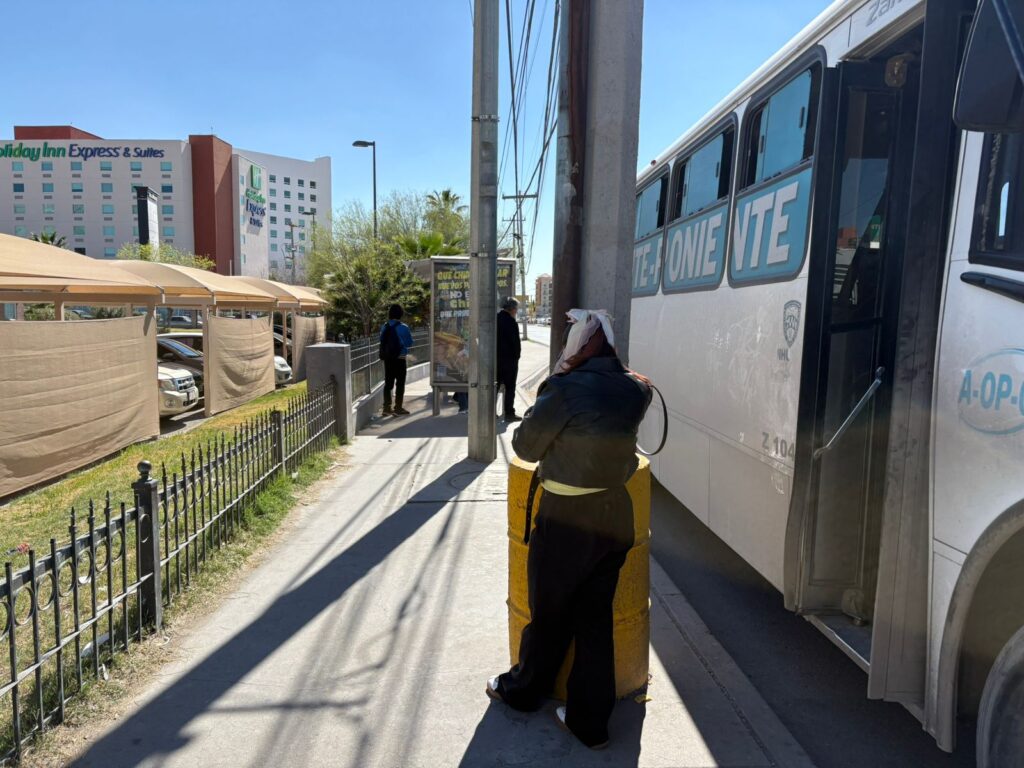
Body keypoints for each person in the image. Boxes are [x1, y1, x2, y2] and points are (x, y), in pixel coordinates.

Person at [485, 309, 652, 750]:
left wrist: (551, 389)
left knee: (549, 612)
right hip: (616, 513)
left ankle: (523, 691)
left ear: (580, 345)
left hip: (565, 517)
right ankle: (589, 723)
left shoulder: (563, 389)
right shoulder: (637, 389)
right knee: (595, 620)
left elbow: (526, 447)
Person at [379, 304, 415, 416]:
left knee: (388, 384)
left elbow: (382, 341)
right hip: (400, 359)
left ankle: (386, 408)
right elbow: (409, 343)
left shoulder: (384, 326)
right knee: (400, 384)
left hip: (388, 359)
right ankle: (398, 408)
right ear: (401, 314)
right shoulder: (404, 327)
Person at [496, 296, 522, 422]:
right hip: (509, 361)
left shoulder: (495, 319)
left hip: (495, 360)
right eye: (516, 308)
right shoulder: (512, 322)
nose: (516, 311)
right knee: (510, 387)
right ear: (512, 308)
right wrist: (517, 356)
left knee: (494, 387)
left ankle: (490, 413)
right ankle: (509, 413)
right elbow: (515, 343)